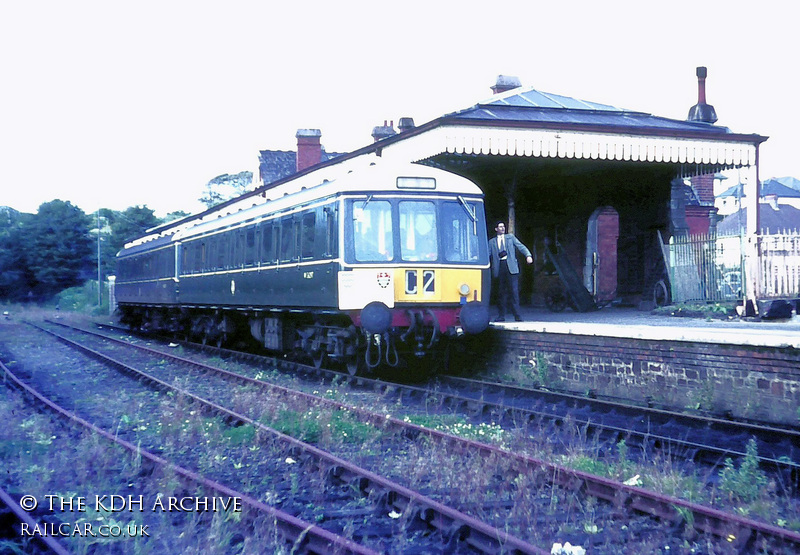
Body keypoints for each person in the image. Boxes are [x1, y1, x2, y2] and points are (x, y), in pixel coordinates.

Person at [489, 221, 533, 321]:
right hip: (499, 267)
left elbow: (520, 246)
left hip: (511, 268)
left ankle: (517, 315)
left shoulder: (510, 238)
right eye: (500, 227)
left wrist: (528, 255)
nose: (502, 228)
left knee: (514, 291)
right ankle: (501, 315)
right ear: (496, 229)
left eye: (503, 226)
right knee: (501, 293)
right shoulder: (492, 242)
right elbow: (487, 254)